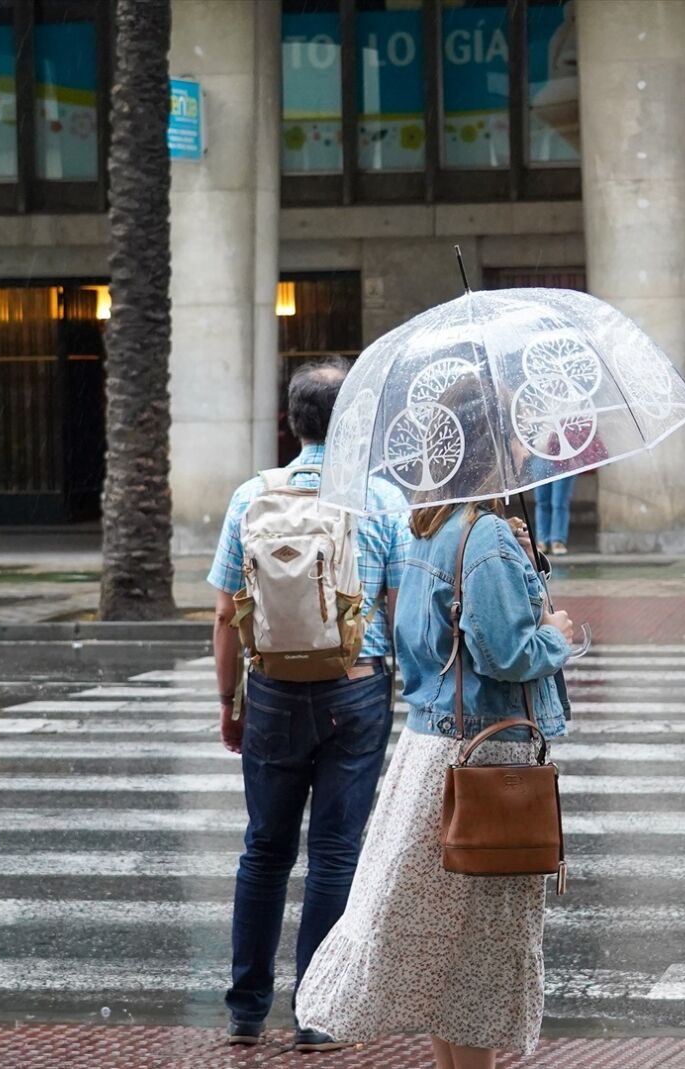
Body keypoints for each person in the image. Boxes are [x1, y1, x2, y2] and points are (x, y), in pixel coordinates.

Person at [297, 439, 580, 1068]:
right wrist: (556, 636)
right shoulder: (484, 539)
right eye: (510, 435)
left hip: (433, 751)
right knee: (479, 953)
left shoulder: (429, 527)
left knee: (448, 949)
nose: (523, 446)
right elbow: (506, 655)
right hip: (487, 756)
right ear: (487, 452)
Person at [209, 358, 411, 1050]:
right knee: (334, 850)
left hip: (270, 691)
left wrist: (229, 703)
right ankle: (316, 1013)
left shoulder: (250, 496)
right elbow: (396, 605)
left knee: (263, 849)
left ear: (292, 422)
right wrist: (408, 689)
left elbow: (223, 611)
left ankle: (245, 1007)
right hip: (356, 687)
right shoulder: (380, 499)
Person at [534, 474, 574, 556]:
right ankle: (542, 540)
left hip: (562, 463)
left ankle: (558, 540)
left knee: (560, 502)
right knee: (542, 501)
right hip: (541, 462)